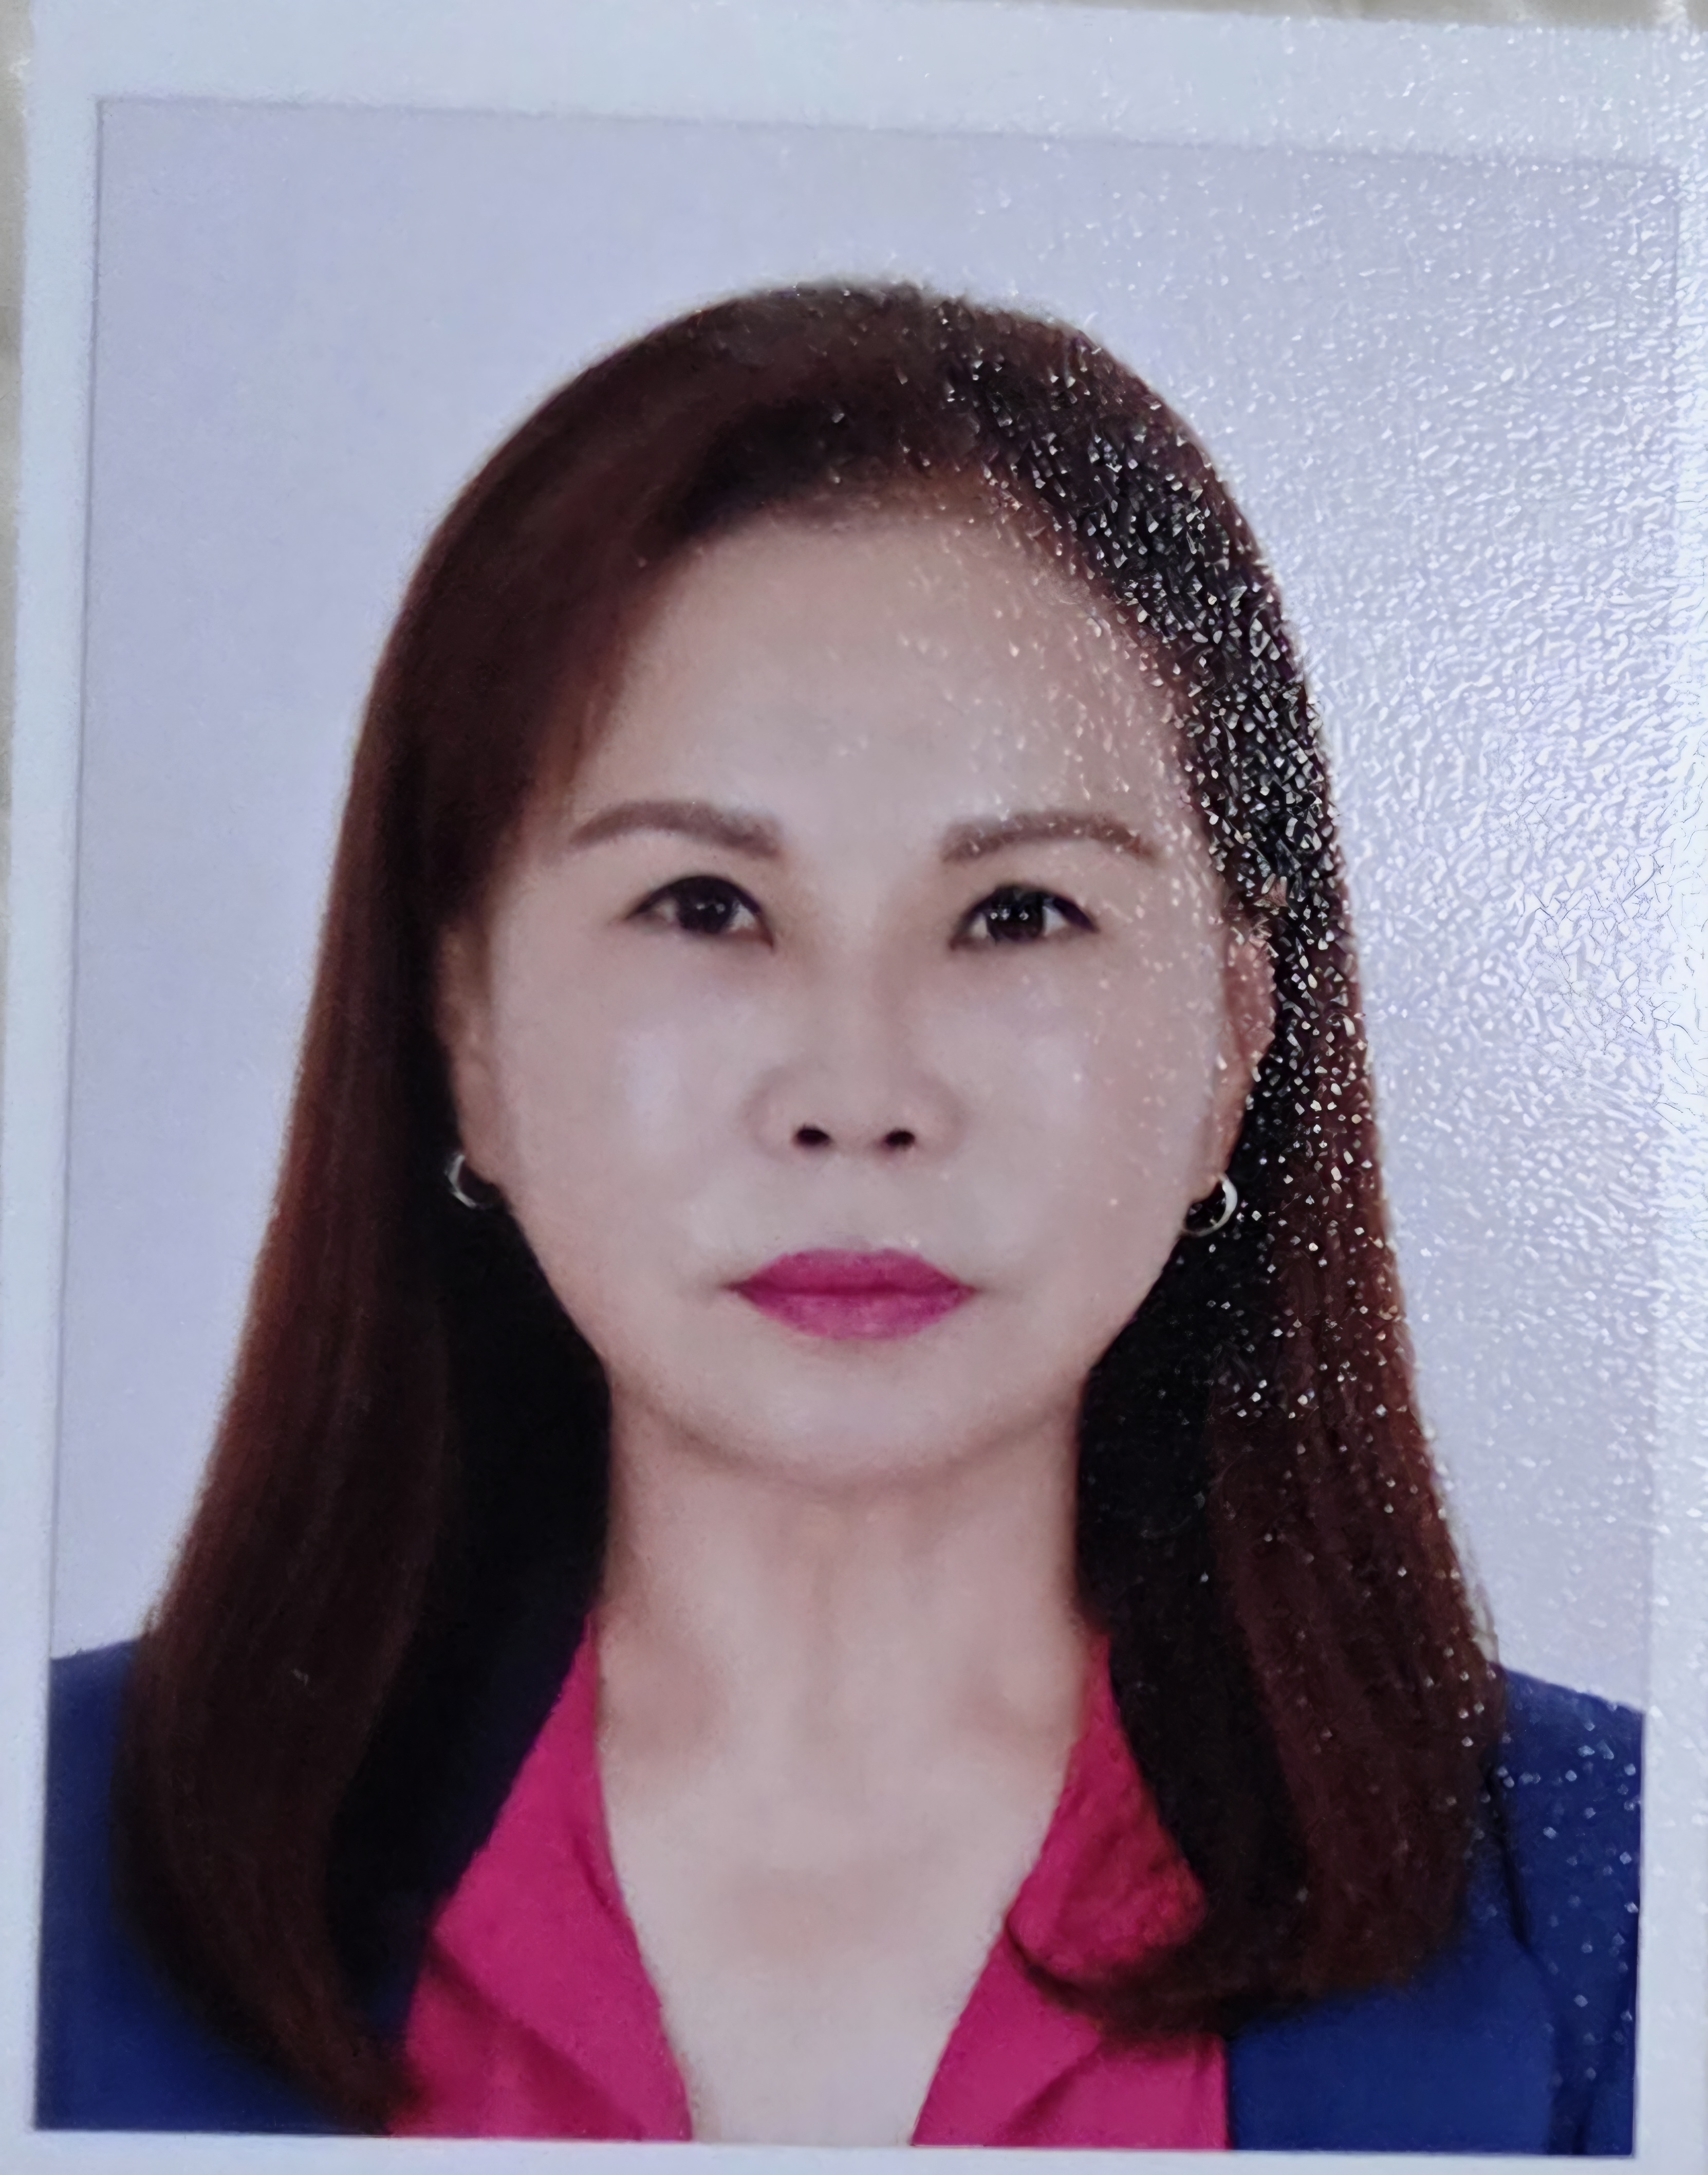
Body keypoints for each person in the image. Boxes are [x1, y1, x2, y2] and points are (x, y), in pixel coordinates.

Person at [38, 284, 1639, 2152]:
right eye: (705, 906)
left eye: (1019, 913)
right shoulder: (47, 1858)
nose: (859, 1091)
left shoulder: (1616, 1902)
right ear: (463, 1028)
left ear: (1232, 1040)